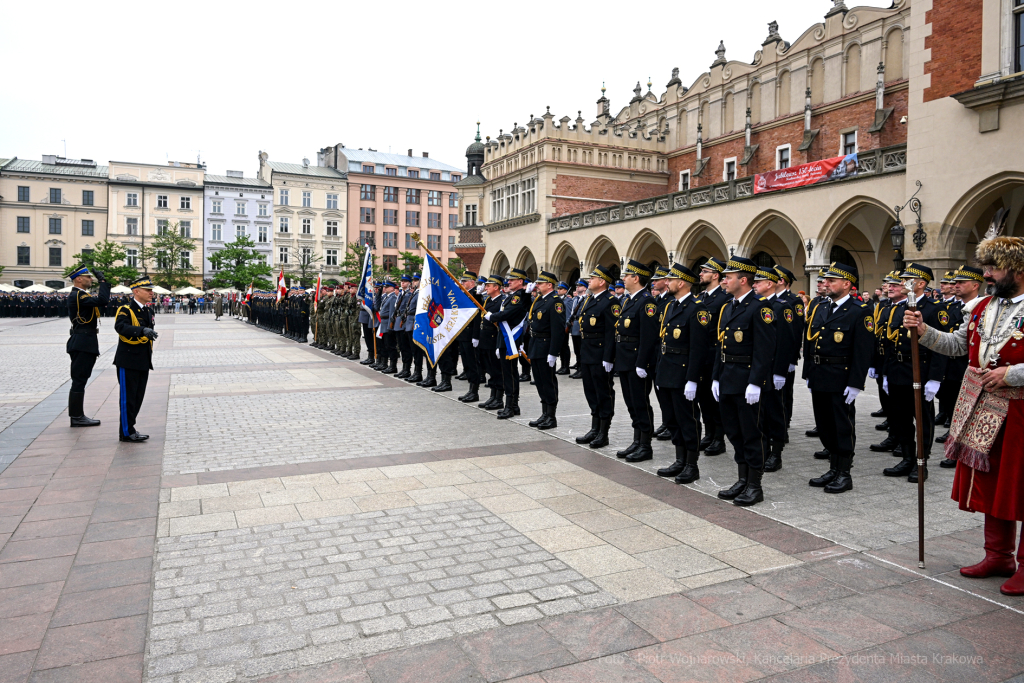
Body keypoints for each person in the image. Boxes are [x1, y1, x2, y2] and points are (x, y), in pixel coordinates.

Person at [903, 232, 1024, 596]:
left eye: (994, 268)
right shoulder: (983, 307)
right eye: (986, 267)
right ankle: (998, 555)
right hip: (985, 407)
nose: (987, 274)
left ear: (1017, 268)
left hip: (1020, 410)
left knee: (1021, 485)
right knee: (992, 483)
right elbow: (958, 345)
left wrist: (1011, 373)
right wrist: (923, 331)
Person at [804, 262, 873, 493]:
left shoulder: (859, 310)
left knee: (842, 426)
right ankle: (833, 468)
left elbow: (862, 352)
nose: (826, 284)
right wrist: (809, 374)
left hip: (841, 378)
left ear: (847, 284)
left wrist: (855, 384)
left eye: (832, 281)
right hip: (820, 375)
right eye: (826, 280)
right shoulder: (823, 307)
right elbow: (813, 343)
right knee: (824, 425)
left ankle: (844, 472)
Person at [713, 257, 776, 507]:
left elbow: (765, 349)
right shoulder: (729, 306)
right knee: (734, 431)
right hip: (728, 378)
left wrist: (756, 382)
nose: (724, 280)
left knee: (752, 434)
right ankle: (742, 478)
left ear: (743, 279)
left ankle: (755, 485)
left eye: (728, 276)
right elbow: (721, 344)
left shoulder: (759, 307)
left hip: (747, 380)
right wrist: (716, 376)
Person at [881, 263, 953, 483]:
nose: (902, 283)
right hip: (897, 370)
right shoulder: (899, 307)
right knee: (900, 417)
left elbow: (940, 345)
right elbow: (890, 341)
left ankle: (922, 461)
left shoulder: (933, 309)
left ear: (921, 284)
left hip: (920, 370)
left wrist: (934, 378)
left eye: (908, 280)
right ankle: (907, 457)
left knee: (922, 419)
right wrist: (886, 372)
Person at [654, 264, 711, 483]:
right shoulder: (670, 306)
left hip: (683, 373)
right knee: (671, 419)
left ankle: (691, 465)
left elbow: (699, 349)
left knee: (688, 420)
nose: (665, 283)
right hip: (667, 370)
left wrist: (692, 380)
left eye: (670, 280)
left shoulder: (697, 308)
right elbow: (664, 341)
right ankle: (679, 460)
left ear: (683, 282)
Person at [612, 259, 659, 462]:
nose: (623, 279)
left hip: (636, 360)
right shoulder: (630, 300)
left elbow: (649, 337)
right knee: (631, 403)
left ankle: (645, 445)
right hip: (625, 359)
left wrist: (642, 362)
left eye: (627, 275)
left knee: (641, 403)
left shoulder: (647, 302)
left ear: (636, 278)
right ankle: (637, 439)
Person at [575, 265, 619, 449]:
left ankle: (604, 431)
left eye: (592, 278)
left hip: (600, 354)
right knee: (590, 391)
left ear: (602, 282)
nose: (589, 280)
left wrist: (608, 358)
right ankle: (595, 427)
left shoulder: (610, 301)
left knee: (603, 392)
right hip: (587, 352)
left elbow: (612, 332)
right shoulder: (590, 300)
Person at [66, 265, 111, 427]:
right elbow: (103, 301)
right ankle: (77, 417)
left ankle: (77, 415)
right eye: (88, 277)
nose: (91, 279)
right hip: (82, 341)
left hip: (85, 340)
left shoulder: (80, 295)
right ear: (78, 279)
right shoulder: (78, 296)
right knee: (79, 380)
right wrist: (103, 281)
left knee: (81, 379)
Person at [114, 277, 158, 443]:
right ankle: (126, 432)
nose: (151, 293)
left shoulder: (148, 311)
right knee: (128, 399)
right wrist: (142, 330)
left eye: (151, 290)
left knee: (138, 397)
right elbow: (121, 327)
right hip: (128, 360)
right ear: (136, 291)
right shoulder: (126, 309)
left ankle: (131, 428)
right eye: (148, 290)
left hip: (143, 360)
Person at [483, 268, 530, 419]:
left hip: (512, 340)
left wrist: (492, 316)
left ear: (520, 282)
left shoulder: (519, 297)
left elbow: (508, 314)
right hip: (505, 339)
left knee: (509, 374)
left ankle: (510, 405)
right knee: (509, 373)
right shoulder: (512, 296)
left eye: (512, 280)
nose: (508, 282)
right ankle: (513, 405)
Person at [525, 270, 566, 429]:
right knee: (540, 381)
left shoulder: (555, 302)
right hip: (536, 344)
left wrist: (554, 353)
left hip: (546, 345)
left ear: (549, 285)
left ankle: (551, 416)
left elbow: (558, 330)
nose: (537, 285)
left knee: (548, 382)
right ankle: (544, 413)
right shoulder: (540, 300)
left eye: (540, 283)